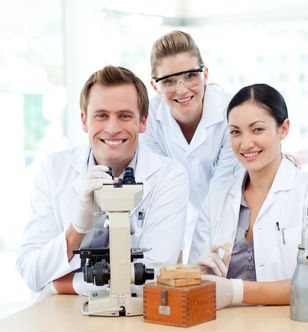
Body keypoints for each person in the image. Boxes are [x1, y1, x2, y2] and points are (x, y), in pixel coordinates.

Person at [16, 65, 189, 297]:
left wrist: (60, 285)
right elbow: (32, 272)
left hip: (136, 319)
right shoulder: (53, 170)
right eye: (101, 115)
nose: (112, 128)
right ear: (84, 120)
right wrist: (78, 228)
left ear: (143, 122)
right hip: (61, 317)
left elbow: (154, 276)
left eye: (125, 116)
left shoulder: (169, 176)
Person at [189, 83, 308, 309]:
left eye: (257, 130)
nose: (245, 143)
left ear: (283, 129)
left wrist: (236, 291)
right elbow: (195, 277)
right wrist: (199, 276)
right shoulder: (217, 198)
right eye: (235, 132)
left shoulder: (303, 194)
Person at [140, 30, 240, 261]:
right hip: (180, 217)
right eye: (169, 81)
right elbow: (161, 189)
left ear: (205, 74)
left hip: (230, 213)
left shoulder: (231, 113)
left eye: (190, 76)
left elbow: (221, 193)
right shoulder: (149, 120)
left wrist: (196, 267)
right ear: (155, 87)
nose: (182, 89)